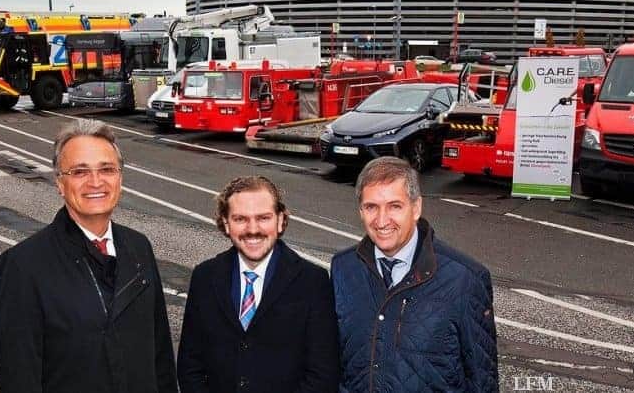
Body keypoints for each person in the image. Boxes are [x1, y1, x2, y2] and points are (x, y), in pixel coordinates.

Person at [0, 119, 178, 393]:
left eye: (107, 169)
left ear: (120, 178)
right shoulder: (22, 266)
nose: (95, 182)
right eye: (79, 172)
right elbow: (18, 377)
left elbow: (160, 354)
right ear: (60, 183)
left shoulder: (139, 248)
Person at [331, 157, 498, 392]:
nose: (381, 220)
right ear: (360, 211)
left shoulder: (465, 279)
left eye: (394, 206)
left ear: (416, 207)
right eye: (371, 207)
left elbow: (482, 380)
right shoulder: (343, 268)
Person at [177, 176, 339, 393]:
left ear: (280, 220)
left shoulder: (312, 281)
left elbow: (323, 374)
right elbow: (190, 365)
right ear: (226, 223)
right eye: (240, 219)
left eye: (263, 218)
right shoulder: (205, 277)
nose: (252, 229)